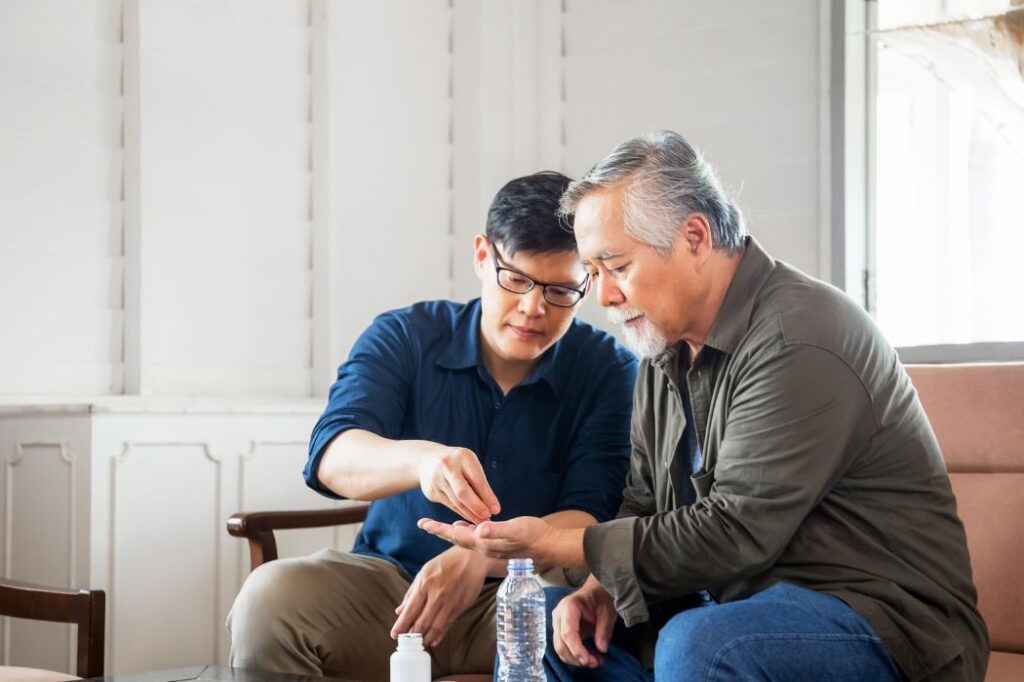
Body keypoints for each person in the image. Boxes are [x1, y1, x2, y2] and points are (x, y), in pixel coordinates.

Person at [420, 131, 989, 681]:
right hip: (724, 611)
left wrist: (550, 542)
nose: (605, 296)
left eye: (616, 266)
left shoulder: (801, 337)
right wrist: (599, 591)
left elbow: (734, 532)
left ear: (694, 238)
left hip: (878, 623)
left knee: (704, 646)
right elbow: (642, 501)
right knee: (546, 624)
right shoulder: (660, 350)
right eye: (592, 274)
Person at [226, 171, 638, 682]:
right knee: (270, 600)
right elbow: (333, 454)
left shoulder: (609, 371)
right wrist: (422, 461)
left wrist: (480, 557)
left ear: (588, 284)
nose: (534, 308)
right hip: (391, 593)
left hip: (528, 594)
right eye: (517, 279)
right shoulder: (405, 336)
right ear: (483, 256)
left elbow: (591, 517)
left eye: (560, 291)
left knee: (578, 626)